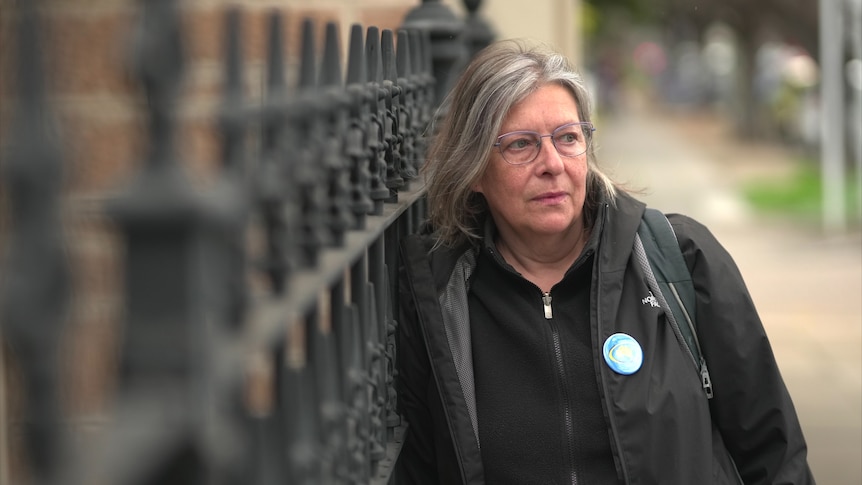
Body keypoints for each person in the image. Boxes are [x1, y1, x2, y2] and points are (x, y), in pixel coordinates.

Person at [394, 39, 814, 484]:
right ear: (475, 170)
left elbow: (775, 452)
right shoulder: (441, 299)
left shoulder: (681, 258)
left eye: (568, 137)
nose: (552, 163)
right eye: (520, 145)